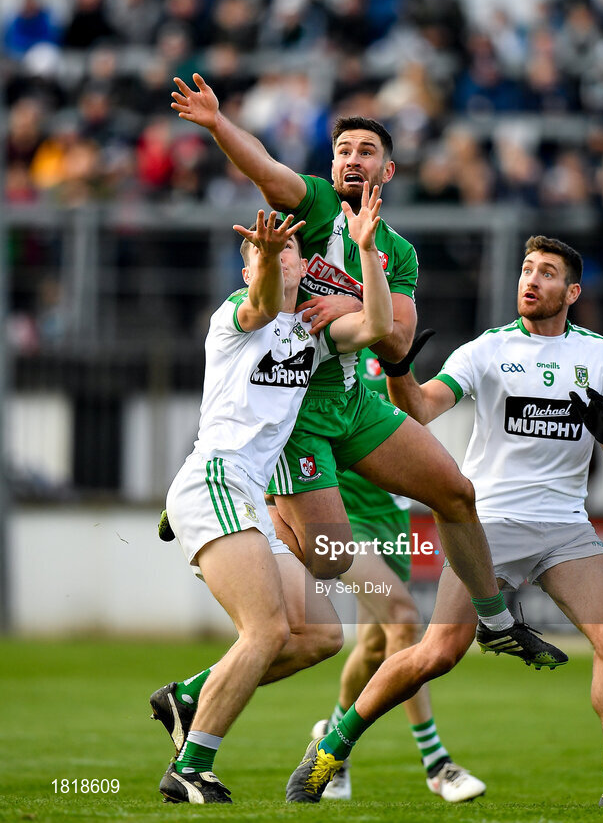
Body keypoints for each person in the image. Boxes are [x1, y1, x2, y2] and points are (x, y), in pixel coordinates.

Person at [170, 73, 565, 673]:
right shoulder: (314, 206)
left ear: (389, 171)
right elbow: (264, 168)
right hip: (295, 412)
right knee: (330, 565)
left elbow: (399, 337)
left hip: (354, 401)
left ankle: (496, 621)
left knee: (456, 492)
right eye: (344, 151)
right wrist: (218, 123)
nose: (353, 160)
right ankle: (233, 520)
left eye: (367, 152)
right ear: (332, 168)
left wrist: (355, 301)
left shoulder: (397, 251)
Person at [286, 235, 603, 810]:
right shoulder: (487, 350)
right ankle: (330, 750)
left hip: (564, 527)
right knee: (435, 655)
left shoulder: (600, 355)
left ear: (572, 292)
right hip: (489, 526)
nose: (531, 280)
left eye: (547, 273)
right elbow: (419, 410)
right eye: (526, 269)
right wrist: (398, 367)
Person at [153, 190, 393, 805]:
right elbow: (261, 304)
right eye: (268, 250)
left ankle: (189, 695)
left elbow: (379, 327)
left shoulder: (311, 331)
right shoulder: (237, 314)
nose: (283, 256)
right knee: (263, 632)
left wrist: (365, 253)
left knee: (319, 635)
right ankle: (191, 766)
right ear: (248, 265)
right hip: (215, 481)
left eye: (291, 248)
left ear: (305, 262)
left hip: (247, 496)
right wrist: (264, 262)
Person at [309, 350, 485, 803]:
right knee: (405, 622)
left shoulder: (389, 348)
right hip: (342, 516)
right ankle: (436, 762)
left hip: (392, 516)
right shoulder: (325, 344)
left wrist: (399, 368)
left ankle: (331, 742)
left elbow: (411, 421)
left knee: (374, 647)